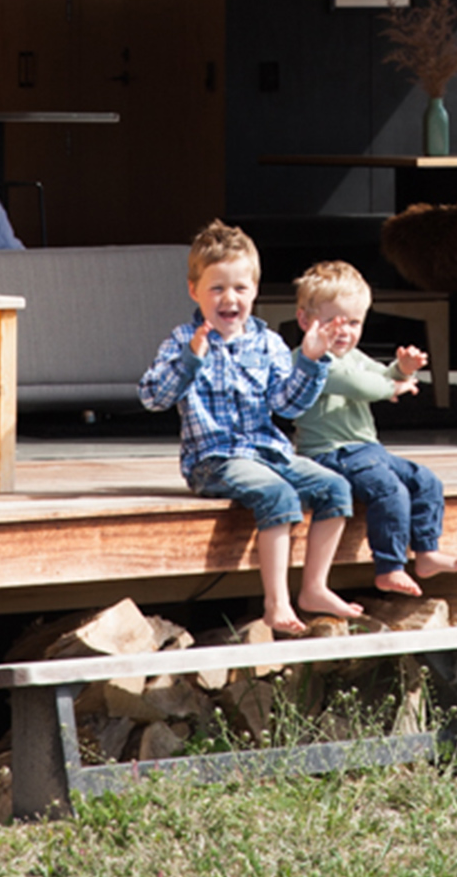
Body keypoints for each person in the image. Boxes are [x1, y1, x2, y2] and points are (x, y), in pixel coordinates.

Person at [140, 220, 361, 634]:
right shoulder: (183, 340)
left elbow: (287, 405)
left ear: (255, 291)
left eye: (240, 288)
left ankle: (313, 587)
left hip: (269, 452)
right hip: (215, 459)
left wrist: (311, 362)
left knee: (336, 487)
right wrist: (189, 360)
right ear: (194, 291)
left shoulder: (268, 342)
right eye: (217, 288)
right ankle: (276, 602)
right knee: (277, 494)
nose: (230, 298)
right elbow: (152, 397)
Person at [291, 260, 457, 596]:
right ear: (304, 320)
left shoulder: (354, 356)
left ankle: (427, 552)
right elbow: (361, 386)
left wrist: (400, 370)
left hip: (366, 451)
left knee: (426, 480)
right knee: (390, 489)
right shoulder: (312, 360)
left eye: (354, 322)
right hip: (330, 454)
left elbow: (378, 376)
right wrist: (393, 388)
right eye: (331, 321)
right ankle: (389, 567)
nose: (343, 331)